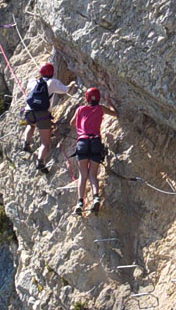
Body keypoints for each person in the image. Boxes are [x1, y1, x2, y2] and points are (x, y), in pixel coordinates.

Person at [70, 88, 117, 216]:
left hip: (83, 142)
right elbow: (115, 113)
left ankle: (80, 202)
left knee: (82, 175)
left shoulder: (80, 109)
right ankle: (96, 197)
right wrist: (109, 102)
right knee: (92, 175)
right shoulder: (101, 108)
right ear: (98, 97)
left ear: (86, 97)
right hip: (95, 142)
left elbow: (72, 122)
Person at [22, 63, 75, 173]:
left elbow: (28, 85)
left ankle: (26, 142)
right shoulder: (52, 82)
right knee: (45, 142)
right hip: (42, 114)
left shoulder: (33, 82)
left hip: (29, 111)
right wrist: (72, 84)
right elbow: (65, 90)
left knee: (30, 125)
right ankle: (41, 162)